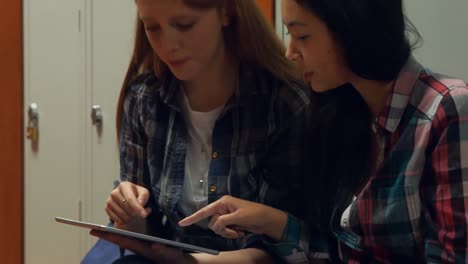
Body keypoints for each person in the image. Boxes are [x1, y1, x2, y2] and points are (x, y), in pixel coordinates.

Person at [180, 0, 468, 263]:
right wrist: (270, 220)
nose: (290, 53)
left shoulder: (446, 109)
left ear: (352, 28)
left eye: (302, 36)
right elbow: (338, 251)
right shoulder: (342, 113)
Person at [90, 0, 315, 263]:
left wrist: (189, 261)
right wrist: (129, 215)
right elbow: (147, 232)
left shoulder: (284, 105)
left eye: (184, 25)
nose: (168, 45)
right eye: (152, 27)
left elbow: (288, 246)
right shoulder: (144, 99)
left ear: (227, 13)